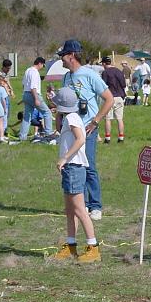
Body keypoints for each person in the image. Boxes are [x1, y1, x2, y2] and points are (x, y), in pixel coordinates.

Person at [59, 39, 114, 221]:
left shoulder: (89, 75)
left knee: (89, 166)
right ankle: (79, 204)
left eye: (63, 56)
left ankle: (95, 205)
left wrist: (95, 121)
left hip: (87, 129)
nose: (61, 59)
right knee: (75, 166)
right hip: (72, 128)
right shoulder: (66, 77)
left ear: (72, 56)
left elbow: (109, 99)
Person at [52, 87, 101, 263]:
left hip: (74, 167)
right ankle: (71, 246)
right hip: (69, 168)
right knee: (70, 211)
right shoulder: (68, 117)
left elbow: (80, 139)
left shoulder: (72, 118)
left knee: (80, 210)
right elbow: (58, 130)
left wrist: (64, 158)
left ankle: (93, 247)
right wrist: (57, 115)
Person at [19, 57, 54, 141]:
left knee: (27, 116)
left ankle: (22, 136)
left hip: (26, 94)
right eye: (43, 65)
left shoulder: (28, 70)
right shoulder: (35, 72)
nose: (42, 67)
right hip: (33, 94)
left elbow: (24, 84)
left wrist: (25, 95)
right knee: (47, 112)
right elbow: (33, 87)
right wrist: (36, 99)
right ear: (40, 63)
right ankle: (48, 133)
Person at [101, 56, 127, 143]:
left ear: (104, 63)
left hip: (110, 97)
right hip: (119, 96)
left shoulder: (105, 72)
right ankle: (121, 137)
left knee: (108, 118)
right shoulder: (119, 71)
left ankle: (108, 138)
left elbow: (103, 86)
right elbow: (124, 84)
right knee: (119, 118)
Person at [0, 59, 15, 135]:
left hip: (7, 96)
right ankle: (1, 132)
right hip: (1, 97)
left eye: (10, 68)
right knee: (3, 114)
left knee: (7, 114)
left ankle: (4, 130)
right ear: (3, 67)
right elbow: (1, 84)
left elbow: (8, 81)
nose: (8, 70)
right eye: (8, 68)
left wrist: (11, 90)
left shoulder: (7, 74)